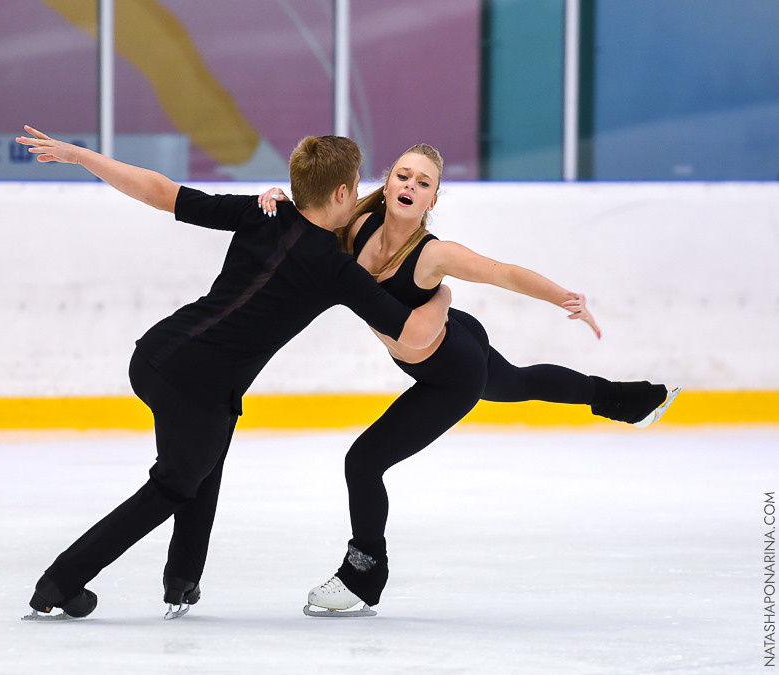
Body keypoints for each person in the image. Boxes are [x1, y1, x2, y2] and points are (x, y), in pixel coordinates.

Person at [14, 126, 452, 620]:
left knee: (206, 449)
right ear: (343, 192)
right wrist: (442, 296)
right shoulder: (336, 269)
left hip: (159, 354)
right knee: (174, 484)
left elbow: (160, 192)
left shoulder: (260, 210)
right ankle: (60, 581)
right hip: (197, 386)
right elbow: (415, 336)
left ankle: (183, 579)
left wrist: (80, 156)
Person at [258, 144, 680, 616]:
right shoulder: (357, 225)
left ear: (432, 201)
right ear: (388, 181)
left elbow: (504, 274)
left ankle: (362, 576)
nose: (410, 186)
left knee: (363, 462)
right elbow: (309, 216)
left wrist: (566, 297)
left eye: (424, 183)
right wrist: (276, 199)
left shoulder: (434, 254)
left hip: (450, 373)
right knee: (519, 383)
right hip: (454, 338)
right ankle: (632, 401)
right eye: (403, 176)